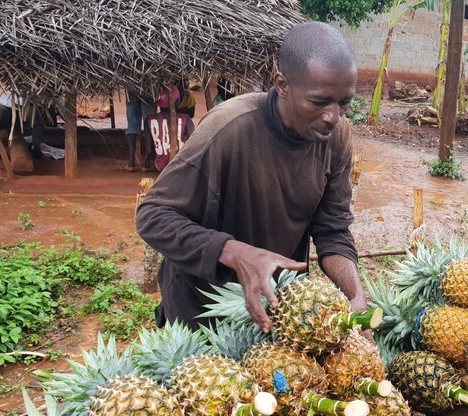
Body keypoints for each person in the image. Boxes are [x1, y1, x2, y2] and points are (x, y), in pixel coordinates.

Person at [136, 21, 363, 333]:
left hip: (275, 309)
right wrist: (235, 253)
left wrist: (356, 293)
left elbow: (333, 230)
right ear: (282, 84)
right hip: (202, 313)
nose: (333, 116)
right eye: (319, 101)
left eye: (344, 102)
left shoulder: (336, 137)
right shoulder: (228, 129)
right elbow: (153, 216)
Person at [124, 89, 157, 172]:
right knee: (149, 122)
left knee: (132, 123)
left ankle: (131, 163)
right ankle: (147, 163)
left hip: (132, 85)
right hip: (149, 87)